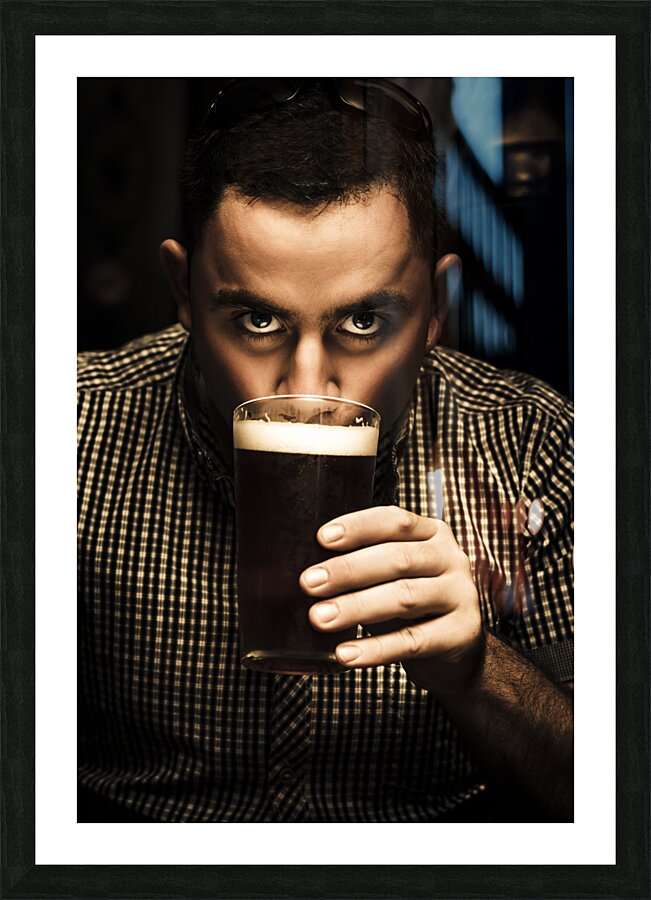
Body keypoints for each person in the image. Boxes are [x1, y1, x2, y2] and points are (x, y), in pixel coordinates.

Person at [77, 78, 573, 823]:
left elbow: (614, 801)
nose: (307, 392)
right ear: (184, 292)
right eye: (255, 320)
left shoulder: (531, 445)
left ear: (435, 309)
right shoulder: (67, 437)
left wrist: (474, 673)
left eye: (364, 322)